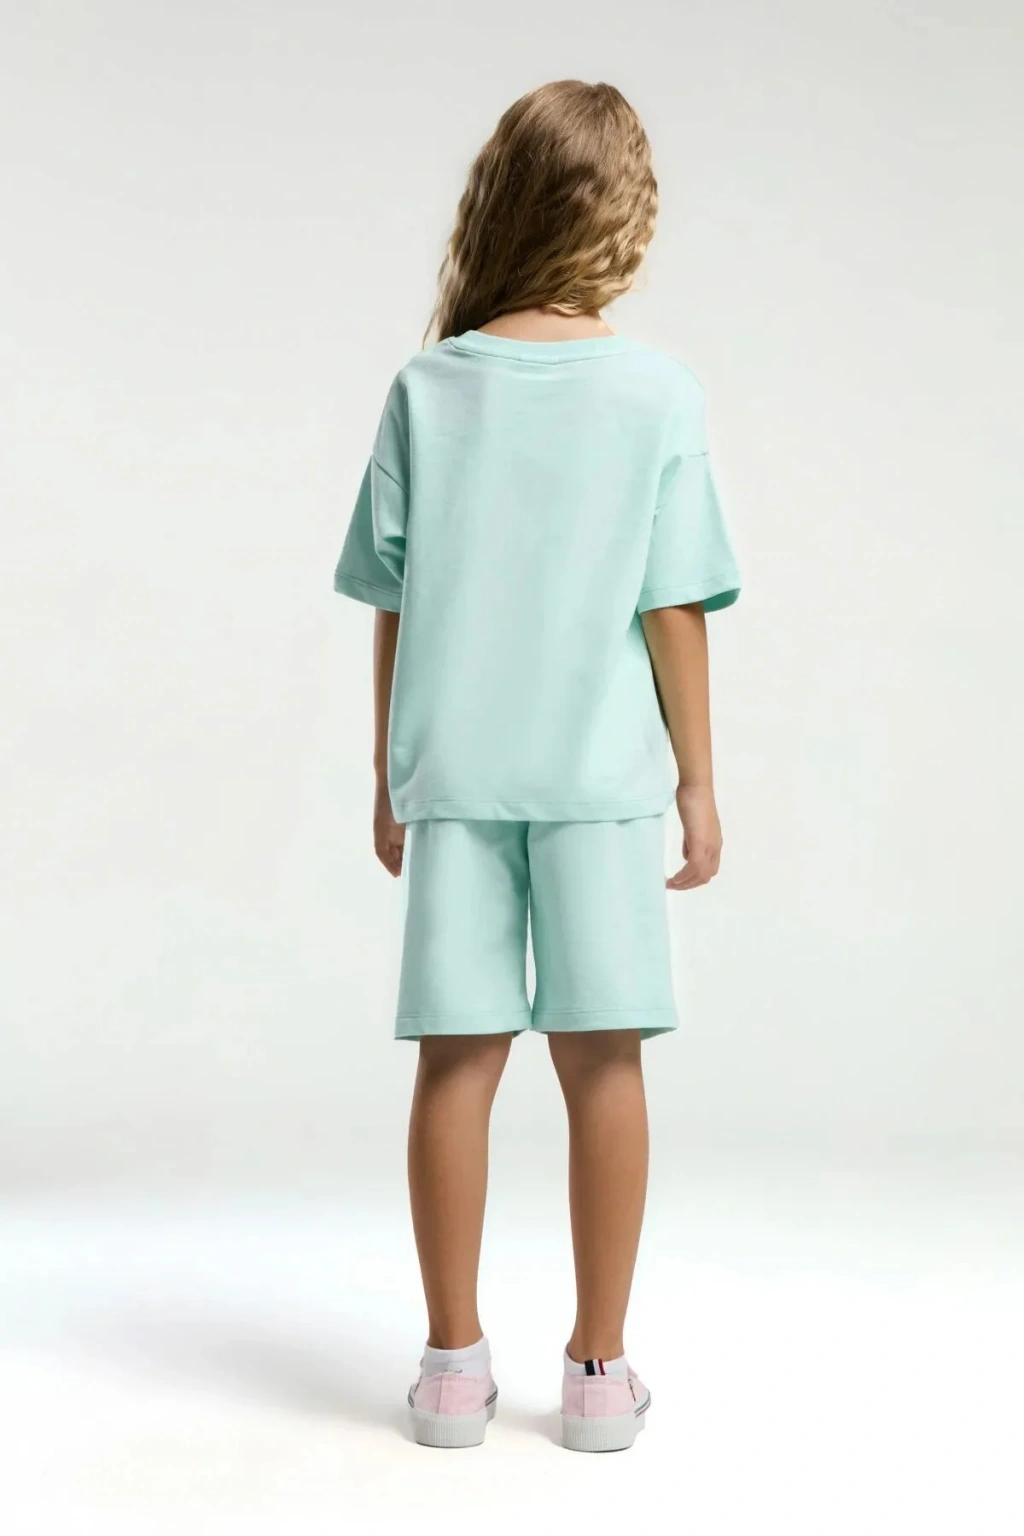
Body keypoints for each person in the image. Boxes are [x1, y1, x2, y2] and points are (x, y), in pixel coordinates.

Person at [334, 79, 740, 1453]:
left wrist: (390, 770)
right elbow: (671, 606)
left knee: (457, 1060)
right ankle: (598, 1374)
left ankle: (452, 1372)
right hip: (598, 779)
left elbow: (395, 598)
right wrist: (697, 781)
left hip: (457, 775)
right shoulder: (656, 394)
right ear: (623, 217)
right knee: (603, 1059)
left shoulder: (429, 387)